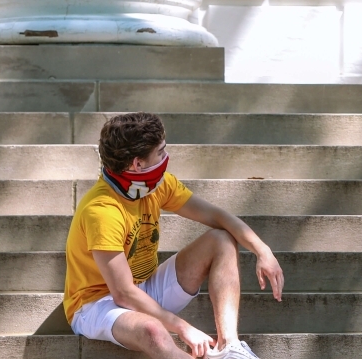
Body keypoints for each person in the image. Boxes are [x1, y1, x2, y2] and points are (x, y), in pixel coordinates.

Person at [63, 112, 284, 359]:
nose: (166, 157)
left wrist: (263, 251)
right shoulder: (101, 210)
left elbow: (217, 217)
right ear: (138, 164)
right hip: (96, 304)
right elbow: (123, 293)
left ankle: (230, 348)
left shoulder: (156, 185)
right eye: (160, 152)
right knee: (153, 331)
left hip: (144, 287)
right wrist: (183, 327)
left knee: (220, 239)